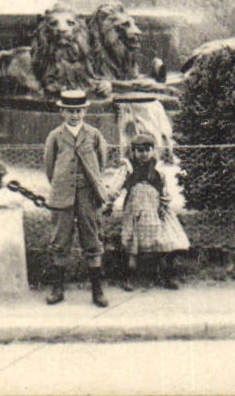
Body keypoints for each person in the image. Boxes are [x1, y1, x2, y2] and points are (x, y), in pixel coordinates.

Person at [42, 88, 114, 306]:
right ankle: (57, 289)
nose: (74, 115)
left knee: (92, 238)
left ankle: (97, 290)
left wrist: (91, 184)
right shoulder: (55, 136)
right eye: (69, 111)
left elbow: (101, 162)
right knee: (60, 240)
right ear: (62, 112)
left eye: (78, 111)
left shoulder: (93, 135)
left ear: (84, 111)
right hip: (62, 194)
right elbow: (49, 166)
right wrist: (61, 184)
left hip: (87, 195)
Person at [114, 130, 189, 291]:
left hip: (155, 211)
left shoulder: (158, 171)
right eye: (139, 150)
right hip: (135, 211)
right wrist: (109, 201)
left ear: (153, 151)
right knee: (132, 246)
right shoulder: (128, 169)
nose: (143, 154)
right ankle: (129, 277)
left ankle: (166, 275)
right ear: (133, 151)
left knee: (167, 240)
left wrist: (165, 203)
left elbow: (165, 191)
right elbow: (116, 187)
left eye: (147, 150)